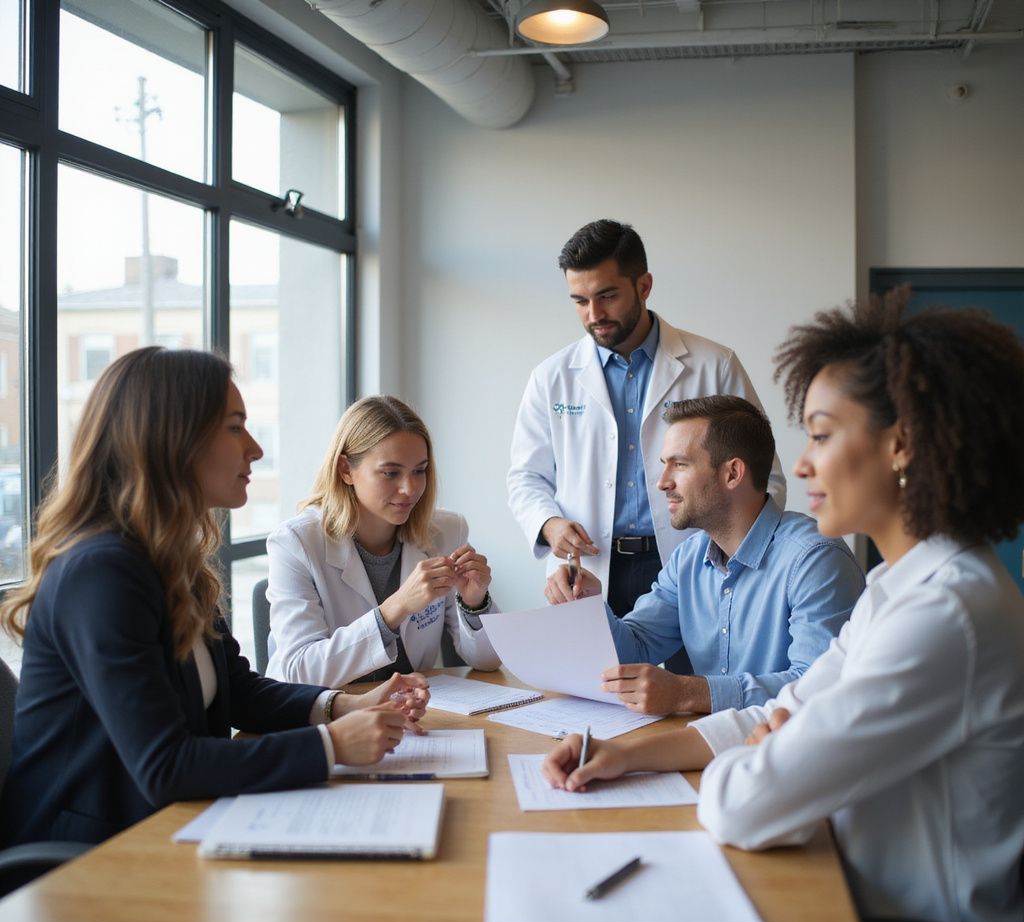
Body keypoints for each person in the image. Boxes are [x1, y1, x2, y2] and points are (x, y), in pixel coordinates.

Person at [543, 290, 1024, 922]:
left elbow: (745, 804)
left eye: (823, 435)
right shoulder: (901, 584)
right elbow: (778, 713)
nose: (799, 466)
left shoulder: (943, 610)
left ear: (902, 444)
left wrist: (767, 754)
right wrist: (631, 756)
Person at [0, 348, 428, 853]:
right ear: (172, 440)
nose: (255, 449)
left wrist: (341, 705)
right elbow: (166, 766)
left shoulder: (169, 559)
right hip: (87, 859)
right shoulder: (101, 573)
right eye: (234, 427)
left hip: (167, 828)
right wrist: (332, 746)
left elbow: (239, 691)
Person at [507, 219, 787, 639]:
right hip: (592, 567)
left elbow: (765, 479)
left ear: (644, 285)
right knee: (595, 693)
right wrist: (549, 524)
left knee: (697, 689)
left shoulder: (714, 365)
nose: (593, 315)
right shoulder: (552, 377)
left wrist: (729, 552)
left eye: (607, 296)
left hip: (691, 562)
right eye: (579, 300)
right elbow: (526, 477)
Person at [545, 395, 863, 714]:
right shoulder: (688, 558)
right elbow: (636, 648)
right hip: (705, 748)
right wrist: (587, 605)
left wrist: (690, 693)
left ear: (732, 474)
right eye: (664, 465)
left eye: (679, 464)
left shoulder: (815, 559)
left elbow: (817, 688)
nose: (662, 483)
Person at [266, 395, 500, 688]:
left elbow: (488, 662)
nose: (410, 488)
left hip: (411, 712)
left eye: (419, 470)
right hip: (324, 718)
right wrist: (396, 607)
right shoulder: (296, 543)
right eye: (391, 473)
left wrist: (475, 603)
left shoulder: (447, 531)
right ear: (345, 470)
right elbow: (301, 671)